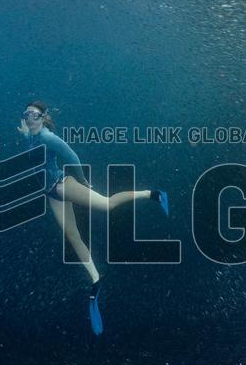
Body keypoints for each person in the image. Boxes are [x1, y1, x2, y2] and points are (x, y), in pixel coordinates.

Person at [17, 100, 168, 335]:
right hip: (51, 193)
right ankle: (96, 282)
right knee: (72, 235)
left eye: (34, 115)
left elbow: (73, 157)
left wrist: (84, 182)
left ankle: (154, 194)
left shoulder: (47, 137)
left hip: (63, 185)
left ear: (43, 117)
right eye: (26, 114)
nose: (29, 118)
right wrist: (26, 132)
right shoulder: (30, 135)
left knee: (107, 205)